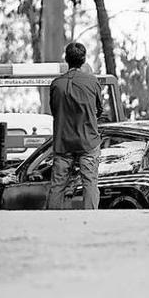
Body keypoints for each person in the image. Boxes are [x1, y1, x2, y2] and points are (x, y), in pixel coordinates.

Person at [48, 42, 104, 210]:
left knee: (57, 185)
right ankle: (90, 218)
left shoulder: (56, 84)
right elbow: (99, 110)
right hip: (88, 141)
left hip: (63, 142)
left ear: (66, 59)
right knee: (90, 182)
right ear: (83, 60)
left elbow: (55, 111)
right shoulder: (92, 82)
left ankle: (52, 220)